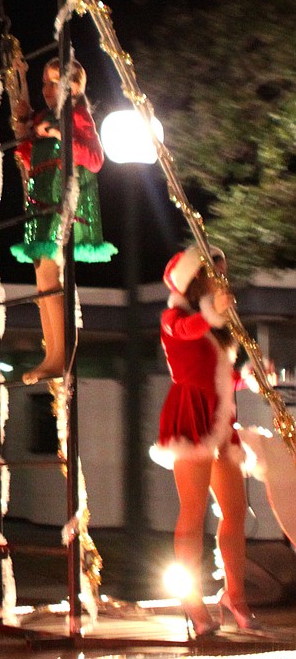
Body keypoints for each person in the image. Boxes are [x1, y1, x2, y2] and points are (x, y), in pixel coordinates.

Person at [151, 245, 260, 637]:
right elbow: (186, 331)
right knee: (194, 511)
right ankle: (192, 601)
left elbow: (217, 376)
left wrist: (247, 378)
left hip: (220, 419)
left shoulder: (215, 325)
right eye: (217, 272)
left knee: (236, 510)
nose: (222, 279)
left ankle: (235, 595)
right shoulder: (174, 316)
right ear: (196, 279)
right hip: (191, 416)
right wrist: (214, 312)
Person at [9, 57, 116, 384]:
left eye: (54, 83)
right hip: (43, 203)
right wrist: (24, 127)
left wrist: (57, 132)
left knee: (50, 276)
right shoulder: (44, 117)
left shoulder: (77, 116)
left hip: (64, 204)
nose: (47, 89)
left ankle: (59, 355)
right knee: (42, 280)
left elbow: (94, 159)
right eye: (45, 82)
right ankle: (53, 352)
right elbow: (29, 155)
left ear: (73, 86)